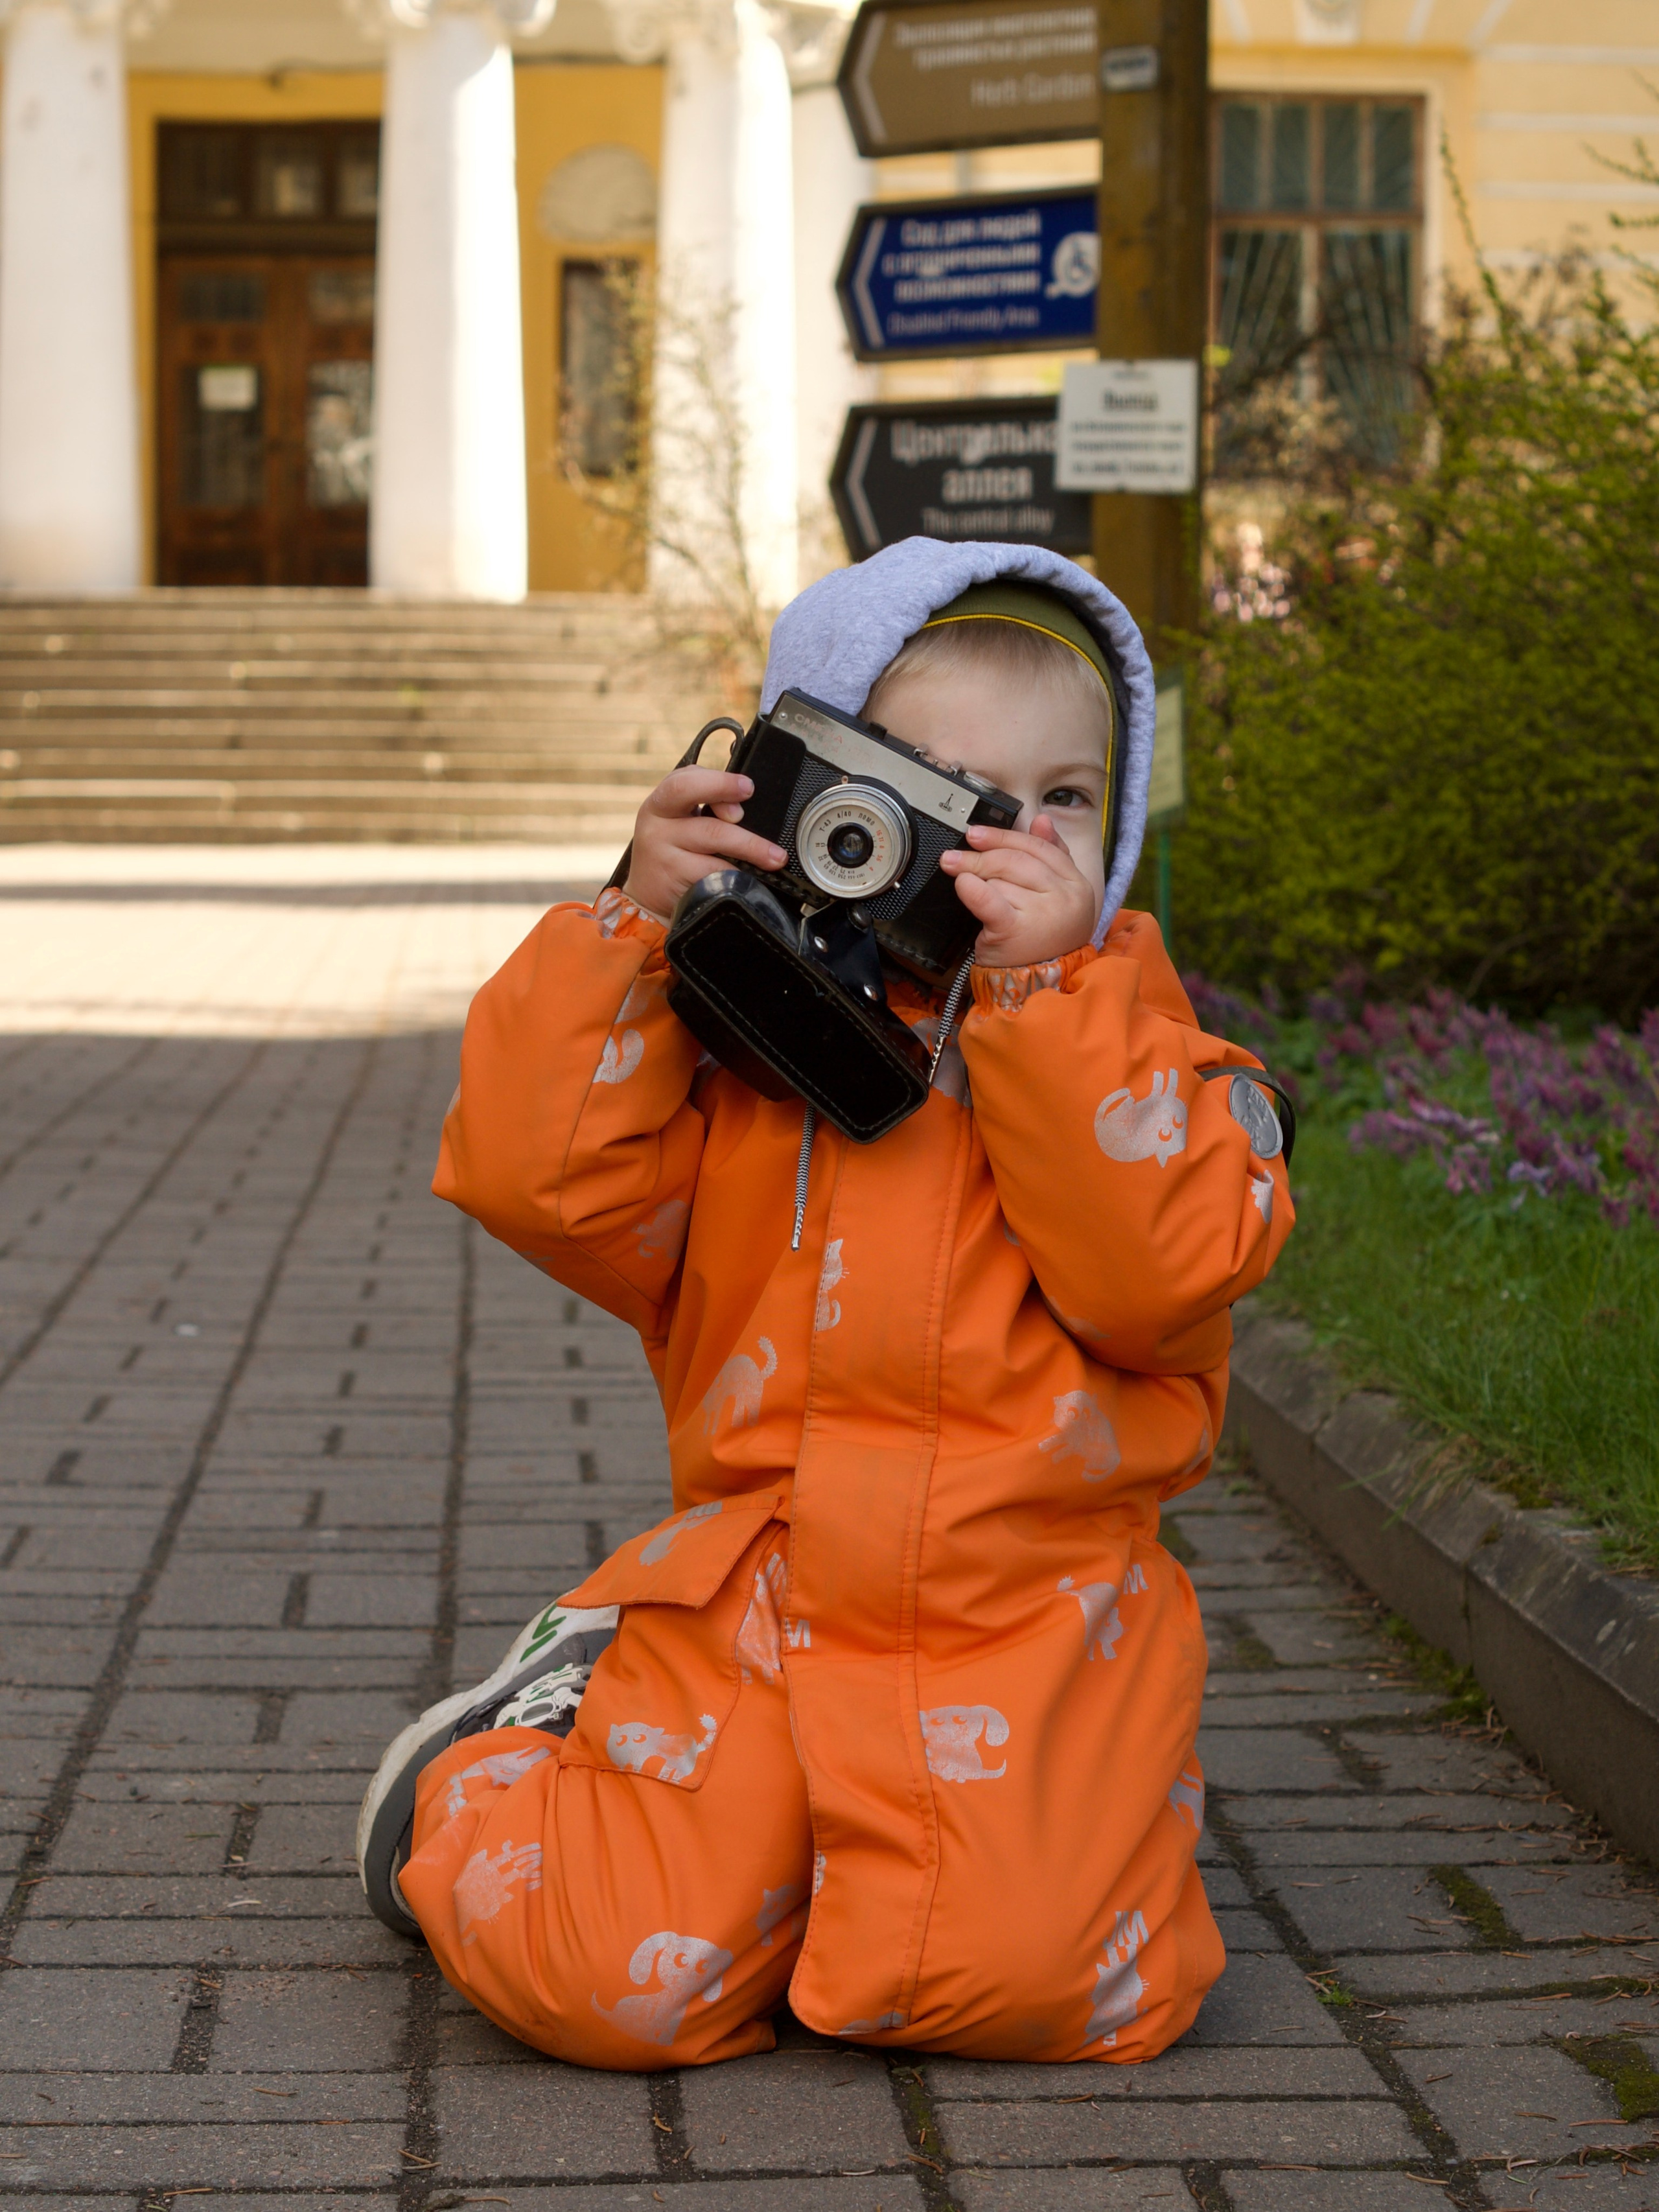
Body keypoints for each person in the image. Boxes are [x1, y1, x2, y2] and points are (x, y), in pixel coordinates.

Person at [356, 537, 1294, 2069]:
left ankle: (826, 1882)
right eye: (945, 790)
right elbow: (539, 1181)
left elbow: (1157, 1282)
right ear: (817, 783)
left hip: (1032, 1629)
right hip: (760, 1603)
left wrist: (1051, 1011)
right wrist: (635, 924)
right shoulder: (741, 1055)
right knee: (612, 1987)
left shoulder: (1165, 1075)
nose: (1011, 841)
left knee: (1044, 1992)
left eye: (1062, 800)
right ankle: (498, 1765)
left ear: (1115, 832)